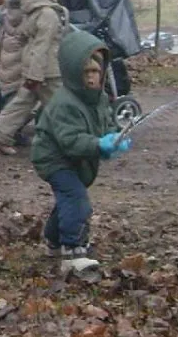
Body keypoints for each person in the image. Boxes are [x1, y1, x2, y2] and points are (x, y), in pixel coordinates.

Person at [31, 29, 131, 264]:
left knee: (68, 198)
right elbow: (71, 140)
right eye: (85, 72)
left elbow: (105, 123)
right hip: (54, 159)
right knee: (76, 199)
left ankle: (53, 240)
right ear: (73, 72)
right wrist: (98, 144)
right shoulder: (64, 103)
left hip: (74, 158)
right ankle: (73, 249)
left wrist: (113, 139)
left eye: (95, 71)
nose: (91, 77)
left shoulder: (99, 98)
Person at [0, 0, 68, 155]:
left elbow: (23, 34)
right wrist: (36, 74)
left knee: (21, 103)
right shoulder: (48, 14)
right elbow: (42, 46)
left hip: (34, 67)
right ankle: (68, 142)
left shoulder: (31, 10)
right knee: (60, 107)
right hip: (46, 71)